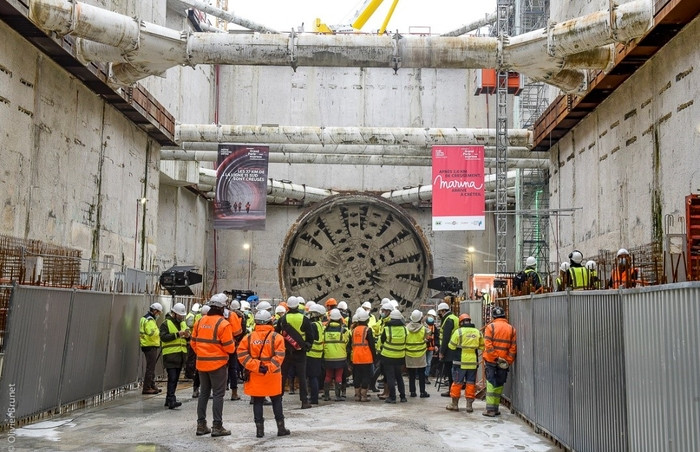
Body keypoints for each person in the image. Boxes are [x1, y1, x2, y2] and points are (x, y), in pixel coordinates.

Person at [238, 310, 290, 438]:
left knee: (258, 401)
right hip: (273, 375)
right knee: (276, 400)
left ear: (256, 322)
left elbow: (241, 354)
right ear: (270, 321)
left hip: (256, 374)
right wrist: (269, 367)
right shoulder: (277, 337)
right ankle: (281, 428)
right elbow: (280, 355)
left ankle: (259, 431)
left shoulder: (249, 338)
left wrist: (257, 366)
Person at [191, 294, 235, 436]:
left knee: (204, 393)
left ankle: (201, 425)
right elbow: (230, 348)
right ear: (222, 307)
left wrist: (202, 353)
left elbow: (193, 342)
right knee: (218, 395)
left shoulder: (200, 321)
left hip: (202, 364)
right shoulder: (223, 324)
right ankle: (217, 426)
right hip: (217, 364)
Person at [275, 295, 316, 409]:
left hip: (286, 351)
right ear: (298, 306)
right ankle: (304, 401)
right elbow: (310, 336)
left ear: (287, 306)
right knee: (302, 377)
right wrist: (306, 346)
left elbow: (276, 334)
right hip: (300, 352)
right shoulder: (304, 319)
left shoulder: (282, 320)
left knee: (283, 376)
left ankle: (278, 399)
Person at [482, 306, 517, 417]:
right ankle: (495, 408)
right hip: (504, 362)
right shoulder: (511, 329)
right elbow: (513, 348)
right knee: (499, 383)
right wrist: (508, 361)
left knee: (491, 383)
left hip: (492, 360)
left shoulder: (490, 327)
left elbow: (488, 345)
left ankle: (490, 410)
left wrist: (496, 358)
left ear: (494, 316)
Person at [446, 313, 484, 413]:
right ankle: (469, 406)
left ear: (461, 322)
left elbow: (451, 346)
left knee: (457, 383)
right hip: (472, 363)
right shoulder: (477, 332)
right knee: (471, 383)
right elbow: (482, 346)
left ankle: (454, 404)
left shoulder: (458, 332)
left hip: (460, 362)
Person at [159, 302, 189, 409]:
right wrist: (177, 334)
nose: (182, 317)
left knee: (175, 379)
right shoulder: (165, 324)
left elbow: (187, 336)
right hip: (170, 356)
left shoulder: (182, 323)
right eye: (180, 315)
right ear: (174, 314)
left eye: (182, 315)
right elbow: (163, 337)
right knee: (172, 378)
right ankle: (172, 399)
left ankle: (169, 399)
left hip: (180, 357)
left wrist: (187, 335)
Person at [380, 309, 407, 403]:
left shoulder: (387, 329)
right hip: (400, 357)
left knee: (390, 377)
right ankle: (403, 397)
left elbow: (382, 340)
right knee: (399, 376)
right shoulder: (404, 329)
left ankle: (392, 397)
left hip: (388, 356)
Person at [322, 308, 350, 401]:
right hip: (340, 357)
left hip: (328, 356)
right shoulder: (344, 330)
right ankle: (338, 396)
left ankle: (326, 395)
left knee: (328, 375)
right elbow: (347, 341)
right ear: (339, 318)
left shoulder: (325, 329)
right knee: (338, 375)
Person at [351, 308, 376, 402]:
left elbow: (351, 344)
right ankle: (364, 396)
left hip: (356, 357)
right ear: (367, 320)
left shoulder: (354, 330)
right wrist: (375, 357)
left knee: (357, 376)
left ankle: (357, 395)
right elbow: (372, 345)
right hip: (366, 357)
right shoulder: (367, 330)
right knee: (366, 376)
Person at [405, 310, 429, 398]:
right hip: (421, 354)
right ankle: (422, 392)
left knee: (411, 375)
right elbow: (428, 334)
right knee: (421, 374)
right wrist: (423, 323)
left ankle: (412, 392)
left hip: (409, 354)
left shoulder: (407, 328)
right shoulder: (423, 328)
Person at [140, 302, 162, 395]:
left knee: (151, 367)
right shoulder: (149, 320)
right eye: (159, 312)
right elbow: (150, 332)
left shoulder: (144, 318)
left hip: (147, 345)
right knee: (150, 368)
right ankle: (147, 387)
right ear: (155, 311)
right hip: (150, 345)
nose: (159, 315)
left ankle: (152, 385)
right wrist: (158, 332)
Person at [437, 302, 459, 396]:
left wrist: (442, 352)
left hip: (449, 349)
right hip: (454, 348)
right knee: (453, 370)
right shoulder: (455, 318)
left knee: (449, 370)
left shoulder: (448, 320)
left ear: (443, 311)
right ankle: (452, 390)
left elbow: (446, 337)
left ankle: (451, 390)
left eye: (440, 312)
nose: (439, 314)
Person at [306, 303, 326, 405]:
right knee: (315, 377)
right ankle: (314, 397)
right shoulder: (320, 325)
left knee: (312, 377)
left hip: (311, 354)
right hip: (318, 354)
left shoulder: (313, 325)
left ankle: (313, 398)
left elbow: (310, 338)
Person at [185, 303, 202, 383]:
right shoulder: (192, 315)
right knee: (191, 358)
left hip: (194, 339)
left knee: (192, 358)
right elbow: (190, 324)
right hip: (192, 339)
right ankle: (189, 373)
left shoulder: (192, 315)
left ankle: (190, 372)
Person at [424, 309, 438, 384]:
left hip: (431, 347)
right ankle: (421, 376)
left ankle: (426, 376)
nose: (431, 317)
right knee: (423, 362)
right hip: (423, 347)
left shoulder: (434, 327)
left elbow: (436, 336)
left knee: (428, 363)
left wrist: (436, 345)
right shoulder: (423, 325)